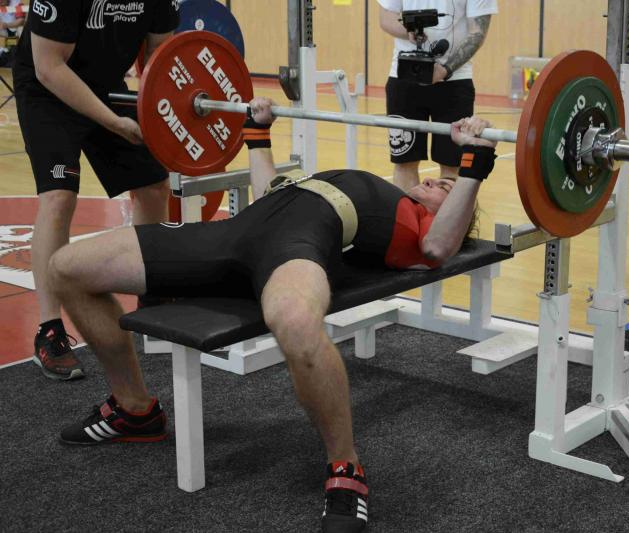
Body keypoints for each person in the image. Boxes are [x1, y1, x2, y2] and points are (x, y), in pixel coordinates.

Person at [47, 97, 497, 532]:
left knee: (297, 323)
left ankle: (345, 466)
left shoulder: (418, 229)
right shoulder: (381, 192)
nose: (436, 182)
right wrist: (258, 133)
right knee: (67, 267)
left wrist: (474, 163)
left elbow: (440, 246)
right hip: (228, 236)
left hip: (294, 249)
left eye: (446, 188)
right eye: (440, 180)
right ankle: (134, 408)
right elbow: (268, 190)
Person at [13, 0, 179, 381]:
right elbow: (49, 67)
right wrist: (114, 123)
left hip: (105, 86)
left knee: (154, 185)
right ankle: (49, 330)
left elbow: (162, 59)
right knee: (58, 197)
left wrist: (169, 116)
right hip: (47, 90)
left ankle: (152, 297)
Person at [377, 0, 497, 191]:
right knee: (404, 161)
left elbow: (478, 33)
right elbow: (386, 18)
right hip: (404, 79)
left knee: (452, 164)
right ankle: (408, 212)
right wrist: (408, 31)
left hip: (455, 82)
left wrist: (444, 70)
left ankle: (450, 212)